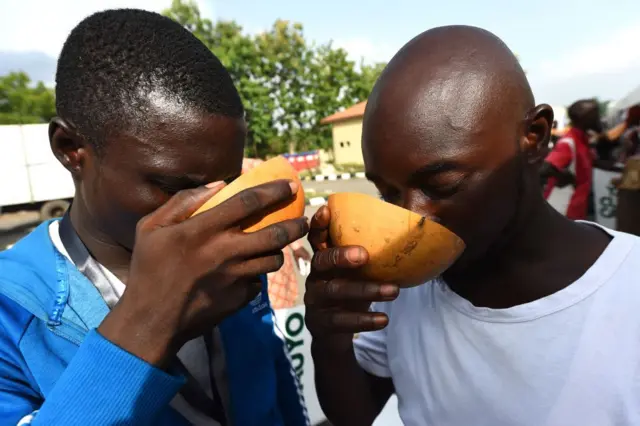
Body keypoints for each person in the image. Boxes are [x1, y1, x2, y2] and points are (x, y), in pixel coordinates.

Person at [304, 25, 640, 426]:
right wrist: (330, 341)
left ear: (534, 137)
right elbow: (354, 414)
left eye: (441, 185)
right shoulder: (403, 292)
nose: (411, 221)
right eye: (388, 193)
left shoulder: (627, 294)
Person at [0, 9, 308, 426]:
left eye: (227, 184)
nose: (209, 211)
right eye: (173, 185)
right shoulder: (12, 309)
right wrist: (150, 321)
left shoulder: (229, 262)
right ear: (71, 148)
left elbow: (276, 388)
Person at [241, 158, 311, 309]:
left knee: (279, 311)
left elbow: (283, 208)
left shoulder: (256, 168)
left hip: (272, 256)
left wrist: (296, 246)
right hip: (232, 269)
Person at [541, 99, 602, 219]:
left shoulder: (583, 141)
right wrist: (564, 176)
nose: (598, 118)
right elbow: (545, 167)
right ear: (583, 117)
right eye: (595, 114)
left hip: (577, 210)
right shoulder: (569, 142)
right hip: (564, 212)